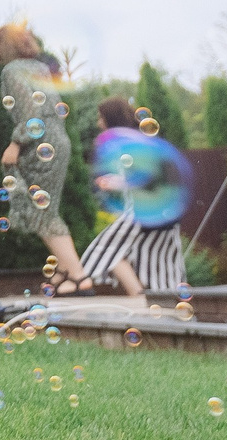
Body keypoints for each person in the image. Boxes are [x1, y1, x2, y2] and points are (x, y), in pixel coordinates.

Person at [0, 21, 94, 294]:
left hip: (38, 142)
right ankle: (63, 271)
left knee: (42, 212)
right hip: (58, 140)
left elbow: (29, 111)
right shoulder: (39, 68)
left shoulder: (11, 71)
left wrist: (15, 144)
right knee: (47, 208)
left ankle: (79, 276)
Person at [80, 97, 189, 299]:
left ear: (110, 118)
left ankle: (141, 300)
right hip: (163, 212)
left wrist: (117, 182)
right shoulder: (139, 140)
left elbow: (146, 177)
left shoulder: (127, 143)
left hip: (142, 213)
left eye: (100, 117)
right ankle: (162, 302)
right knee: (162, 262)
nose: (98, 123)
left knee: (106, 251)